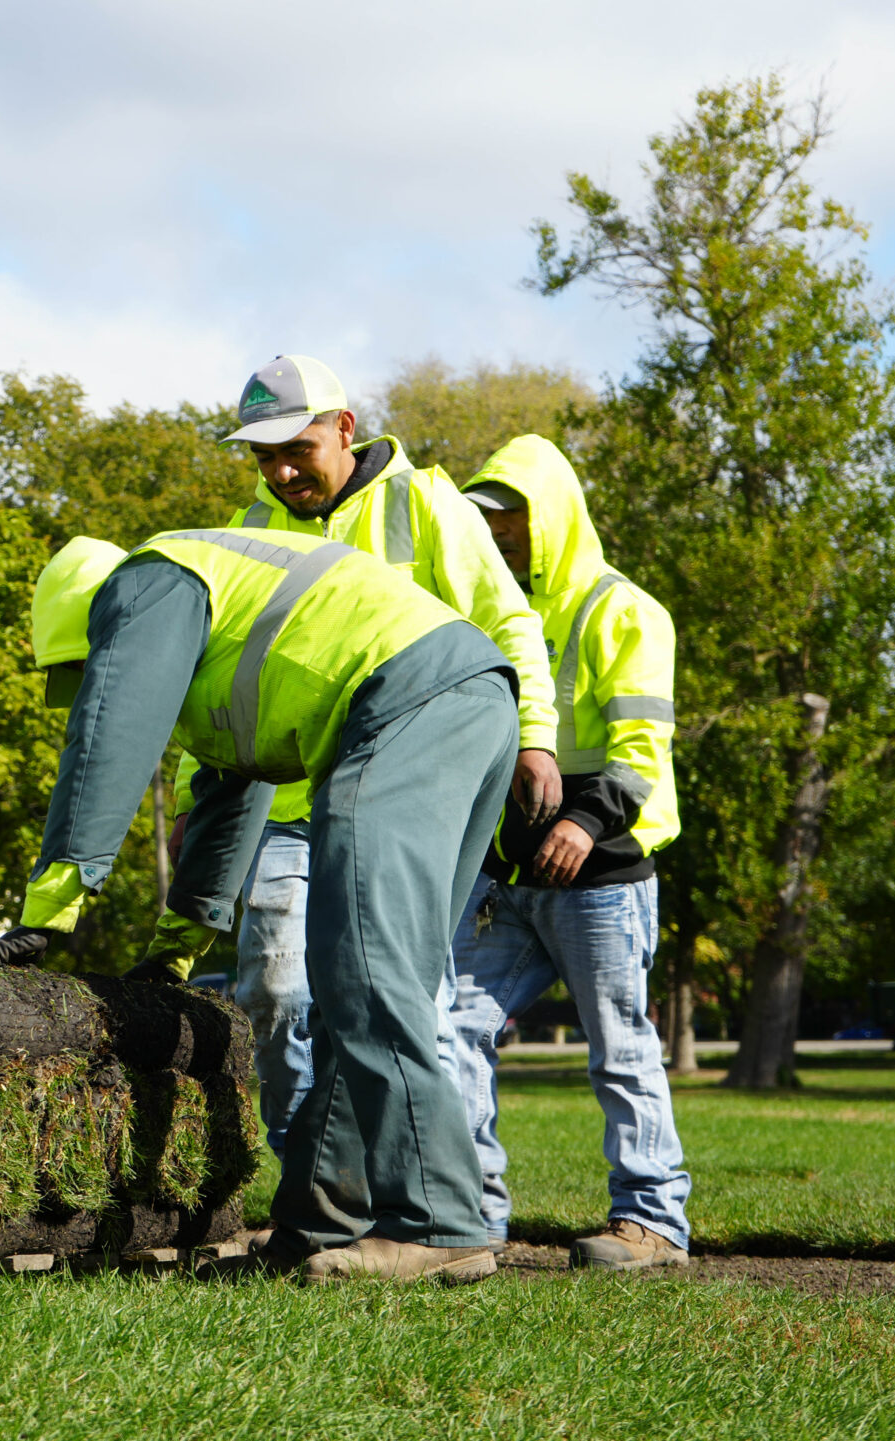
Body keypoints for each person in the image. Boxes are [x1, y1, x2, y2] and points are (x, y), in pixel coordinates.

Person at [0, 523, 517, 1282]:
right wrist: (175, 949)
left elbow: (107, 735)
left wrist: (49, 907)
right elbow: (232, 797)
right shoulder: (222, 643)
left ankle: (439, 1223)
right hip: (468, 699)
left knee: (367, 972)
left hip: (407, 700)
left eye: (92, 664)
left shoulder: (150, 581)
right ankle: (316, 1226)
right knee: (359, 985)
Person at [169, 356, 560, 1159]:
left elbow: (507, 622)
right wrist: (189, 802)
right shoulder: (249, 529)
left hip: (404, 801)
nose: (281, 473)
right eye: (263, 457)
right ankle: (310, 1178)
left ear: (344, 429)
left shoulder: (426, 505)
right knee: (275, 990)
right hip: (286, 806)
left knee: (408, 1000)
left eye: (297, 450)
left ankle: (436, 1186)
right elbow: (214, 679)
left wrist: (535, 733)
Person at [436, 433, 691, 1271]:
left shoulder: (624, 609)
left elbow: (642, 753)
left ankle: (653, 1221)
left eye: (510, 516)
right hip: (506, 877)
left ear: (551, 517)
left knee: (620, 1046)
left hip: (603, 873)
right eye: (486, 519)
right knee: (449, 1029)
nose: (497, 532)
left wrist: (582, 824)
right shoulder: (493, 611)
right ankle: (470, 1217)